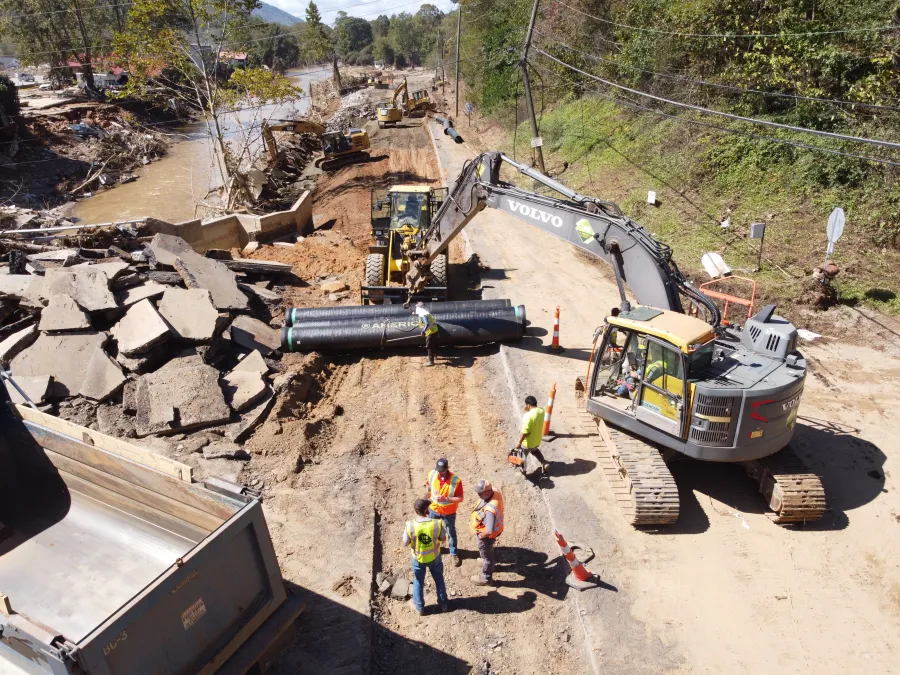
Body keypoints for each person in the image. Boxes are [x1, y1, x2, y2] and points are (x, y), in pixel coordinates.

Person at [403, 498, 449, 614]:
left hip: (418, 559)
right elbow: (443, 539)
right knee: (439, 579)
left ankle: (419, 607)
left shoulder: (410, 525)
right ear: (426, 510)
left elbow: (405, 543)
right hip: (434, 557)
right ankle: (443, 605)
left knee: (418, 581)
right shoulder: (436, 524)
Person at [425, 458, 463, 567]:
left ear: (447, 469)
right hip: (433, 509)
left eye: (443, 472)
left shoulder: (456, 481)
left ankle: (453, 553)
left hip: (449, 512)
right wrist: (427, 495)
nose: (440, 474)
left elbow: (460, 498)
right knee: (432, 529)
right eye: (439, 471)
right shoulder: (432, 474)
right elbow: (428, 485)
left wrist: (446, 499)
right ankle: (434, 549)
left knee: (451, 532)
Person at [469, 480, 504, 586]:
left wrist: (481, 535)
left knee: (487, 556)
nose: (478, 494)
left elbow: (489, 530)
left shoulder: (490, 510)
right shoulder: (495, 492)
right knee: (487, 552)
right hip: (496, 530)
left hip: (487, 535)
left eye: (480, 493)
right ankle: (487, 562)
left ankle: (486, 578)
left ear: (488, 492)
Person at [515, 395, 549, 476]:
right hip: (537, 440)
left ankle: (523, 471)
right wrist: (529, 411)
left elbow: (525, 432)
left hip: (527, 443)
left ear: (528, 405)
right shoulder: (542, 411)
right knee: (535, 450)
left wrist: (519, 443)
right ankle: (544, 463)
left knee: (522, 456)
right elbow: (535, 415)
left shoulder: (527, 416)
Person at [415, 301, 438, 366]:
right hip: (434, 331)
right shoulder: (426, 312)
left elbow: (426, 323)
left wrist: (422, 331)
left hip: (430, 332)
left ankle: (431, 362)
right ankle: (434, 357)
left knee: (429, 346)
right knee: (433, 344)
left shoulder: (423, 314)